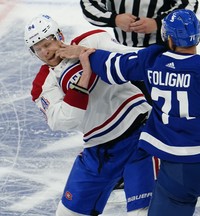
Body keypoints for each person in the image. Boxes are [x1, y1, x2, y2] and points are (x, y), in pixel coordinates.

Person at [78, 9, 200, 216]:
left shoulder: (151, 59)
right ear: (198, 36)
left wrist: (81, 53)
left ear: (169, 37)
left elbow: (113, 67)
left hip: (174, 173)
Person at [24, 14, 158, 216]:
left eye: (47, 43)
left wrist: (85, 53)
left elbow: (135, 60)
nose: (45, 52)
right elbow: (64, 120)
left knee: (142, 213)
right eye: (38, 49)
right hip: (98, 151)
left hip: (138, 135)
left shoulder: (93, 40)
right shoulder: (43, 83)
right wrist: (85, 75)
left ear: (59, 35)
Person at [80, 0, 199, 48]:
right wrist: (114, 19)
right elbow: (88, 4)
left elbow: (189, 4)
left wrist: (159, 23)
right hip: (122, 50)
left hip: (162, 49)